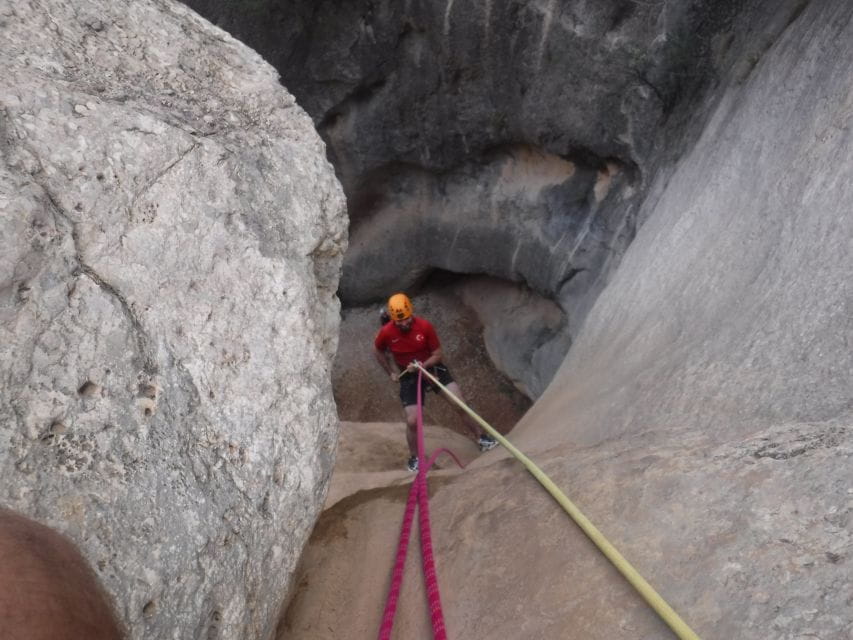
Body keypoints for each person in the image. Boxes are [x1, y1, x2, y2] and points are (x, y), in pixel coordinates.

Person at [373, 292, 497, 472]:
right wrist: (391, 372)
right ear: (392, 319)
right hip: (408, 374)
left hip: (432, 368)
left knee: (459, 403)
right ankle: (415, 458)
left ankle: (482, 437)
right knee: (413, 420)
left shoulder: (424, 327)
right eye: (398, 321)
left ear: (410, 313)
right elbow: (377, 350)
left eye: (406, 319)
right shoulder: (386, 332)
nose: (403, 323)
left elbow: (438, 354)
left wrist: (423, 365)